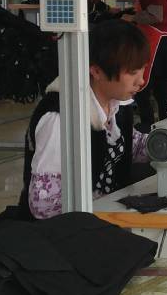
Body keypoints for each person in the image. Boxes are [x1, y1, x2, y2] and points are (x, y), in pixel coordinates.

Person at [18, 18, 151, 220]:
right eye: (132, 73)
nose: (141, 81)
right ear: (96, 71)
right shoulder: (60, 119)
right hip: (62, 230)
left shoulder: (115, 105)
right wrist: (107, 205)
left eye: (142, 70)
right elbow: (44, 205)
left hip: (103, 219)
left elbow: (135, 147)